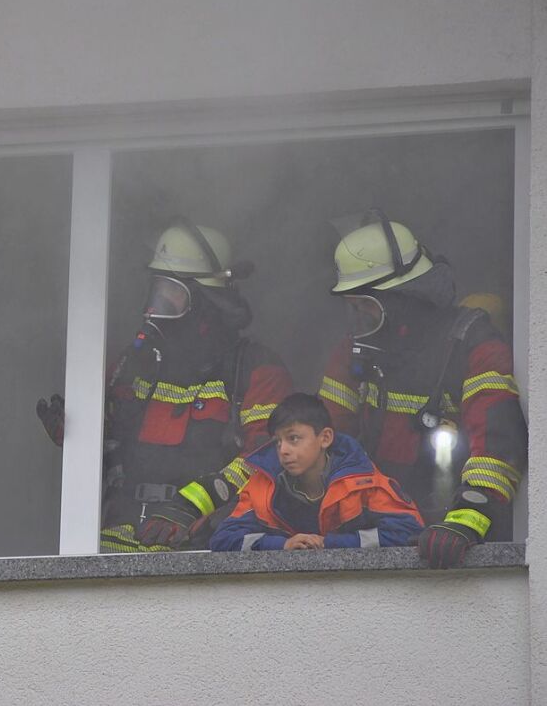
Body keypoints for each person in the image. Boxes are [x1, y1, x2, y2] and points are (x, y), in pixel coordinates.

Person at [37, 218, 293, 552]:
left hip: (207, 543)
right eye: (156, 292)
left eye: (172, 294)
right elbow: (111, 441)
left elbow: (268, 453)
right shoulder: (133, 363)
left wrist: (194, 505)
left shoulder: (254, 368)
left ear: (205, 300)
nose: (157, 306)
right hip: (118, 538)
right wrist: (75, 435)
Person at [318, 212, 527, 568]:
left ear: (400, 297)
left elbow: (498, 444)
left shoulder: (471, 344)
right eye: (353, 306)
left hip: (455, 536)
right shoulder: (353, 351)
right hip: (374, 533)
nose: (360, 317)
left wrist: (466, 519)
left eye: (367, 305)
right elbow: (325, 439)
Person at [210, 393, 423, 551]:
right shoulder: (262, 486)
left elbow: (410, 531)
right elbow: (223, 539)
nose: (283, 450)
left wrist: (330, 544)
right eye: (278, 442)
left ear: (325, 438)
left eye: (293, 438)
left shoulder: (363, 482)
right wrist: (283, 545)